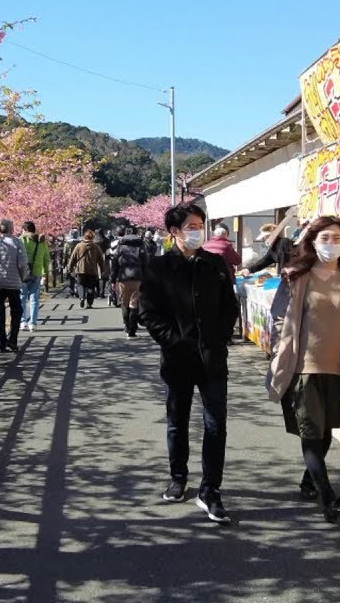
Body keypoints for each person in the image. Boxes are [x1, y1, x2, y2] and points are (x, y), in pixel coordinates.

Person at [266, 216, 340, 523]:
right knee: (311, 434)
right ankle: (329, 498)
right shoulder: (296, 276)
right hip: (303, 368)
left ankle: (308, 481)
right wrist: (278, 353)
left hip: (338, 368)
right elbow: (278, 318)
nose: (331, 244)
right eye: (325, 238)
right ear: (312, 241)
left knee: (326, 432)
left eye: (337, 238)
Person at [139, 202, 239, 525]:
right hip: (178, 360)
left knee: (216, 424)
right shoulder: (158, 268)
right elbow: (148, 314)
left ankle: (210, 489)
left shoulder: (215, 264)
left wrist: (218, 338)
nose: (198, 231)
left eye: (201, 225)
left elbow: (230, 307)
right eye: (192, 226)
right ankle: (178, 475)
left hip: (212, 360)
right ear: (174, 232)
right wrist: (176, 340)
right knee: (177, 420)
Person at [0, 219, 28, 353]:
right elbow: (22, 263)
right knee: (17, 310)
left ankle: (0, 344)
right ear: (11, 229)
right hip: (13, 282)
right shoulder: (17, 242)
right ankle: (13, 340)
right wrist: (22, 278)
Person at [111, 228, 148, 338]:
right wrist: (146, 278)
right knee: (134, 303)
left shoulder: (120, 247)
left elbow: (114, 264)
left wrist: (113, 280)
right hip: (137, 277)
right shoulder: (140, 246)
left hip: (123, 277)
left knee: (124, 302)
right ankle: (132, 330)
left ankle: (127, 327)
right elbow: (146, 263)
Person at [20, 221, 51, 333]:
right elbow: (46, 258)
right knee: (34, 299)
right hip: (37, 272)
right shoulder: (41, 241)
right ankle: (32, 323)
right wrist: (44, 272)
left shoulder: (21, 240)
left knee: (22, 297)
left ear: (24, 229)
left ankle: (23, 322)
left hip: (23, 272)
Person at [66, 230, 107, 309]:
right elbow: (101, 259)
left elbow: (73, 257)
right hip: (92, 270)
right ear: (92, 237)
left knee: (80, 284)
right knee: (91, 287)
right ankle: (89, 303)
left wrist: (69, 267)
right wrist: (102, 269)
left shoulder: (79, 246)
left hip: (80, 269)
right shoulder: (96, 246)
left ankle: (81, 297)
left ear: (84, 236)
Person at [63, 229, 82, 297]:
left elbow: (65, 254)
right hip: (79, 261)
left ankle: (72, 289)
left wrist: (64, 264)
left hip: (70, 261)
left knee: (71, 276)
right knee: (78, 276)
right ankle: (78, 289)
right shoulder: (80, 243)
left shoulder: (67, 244)